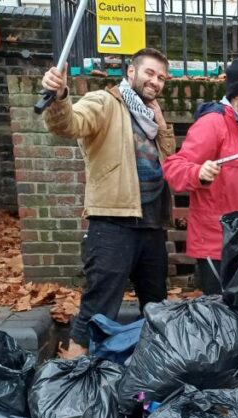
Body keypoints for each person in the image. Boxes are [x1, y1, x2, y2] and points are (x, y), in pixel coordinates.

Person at [41, 48, 175, 358]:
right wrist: (59, 97)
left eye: (161, 78)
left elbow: (167, 161)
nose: (155, 81)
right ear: (131, 72)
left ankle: (154, 372)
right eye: (149, 73)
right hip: (114, 223)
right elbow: (69, 124)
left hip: (152, 224)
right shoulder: (105, 102)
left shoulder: (152, 114)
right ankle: (70, 381)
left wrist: (163, 126)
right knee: (98, 308)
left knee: (156, 308)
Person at [163, 58, 238, 295]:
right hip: (217, 250)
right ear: (236, 92)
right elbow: (174, 168)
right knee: (220, 323)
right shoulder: (213, 124)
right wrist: (199, 173)